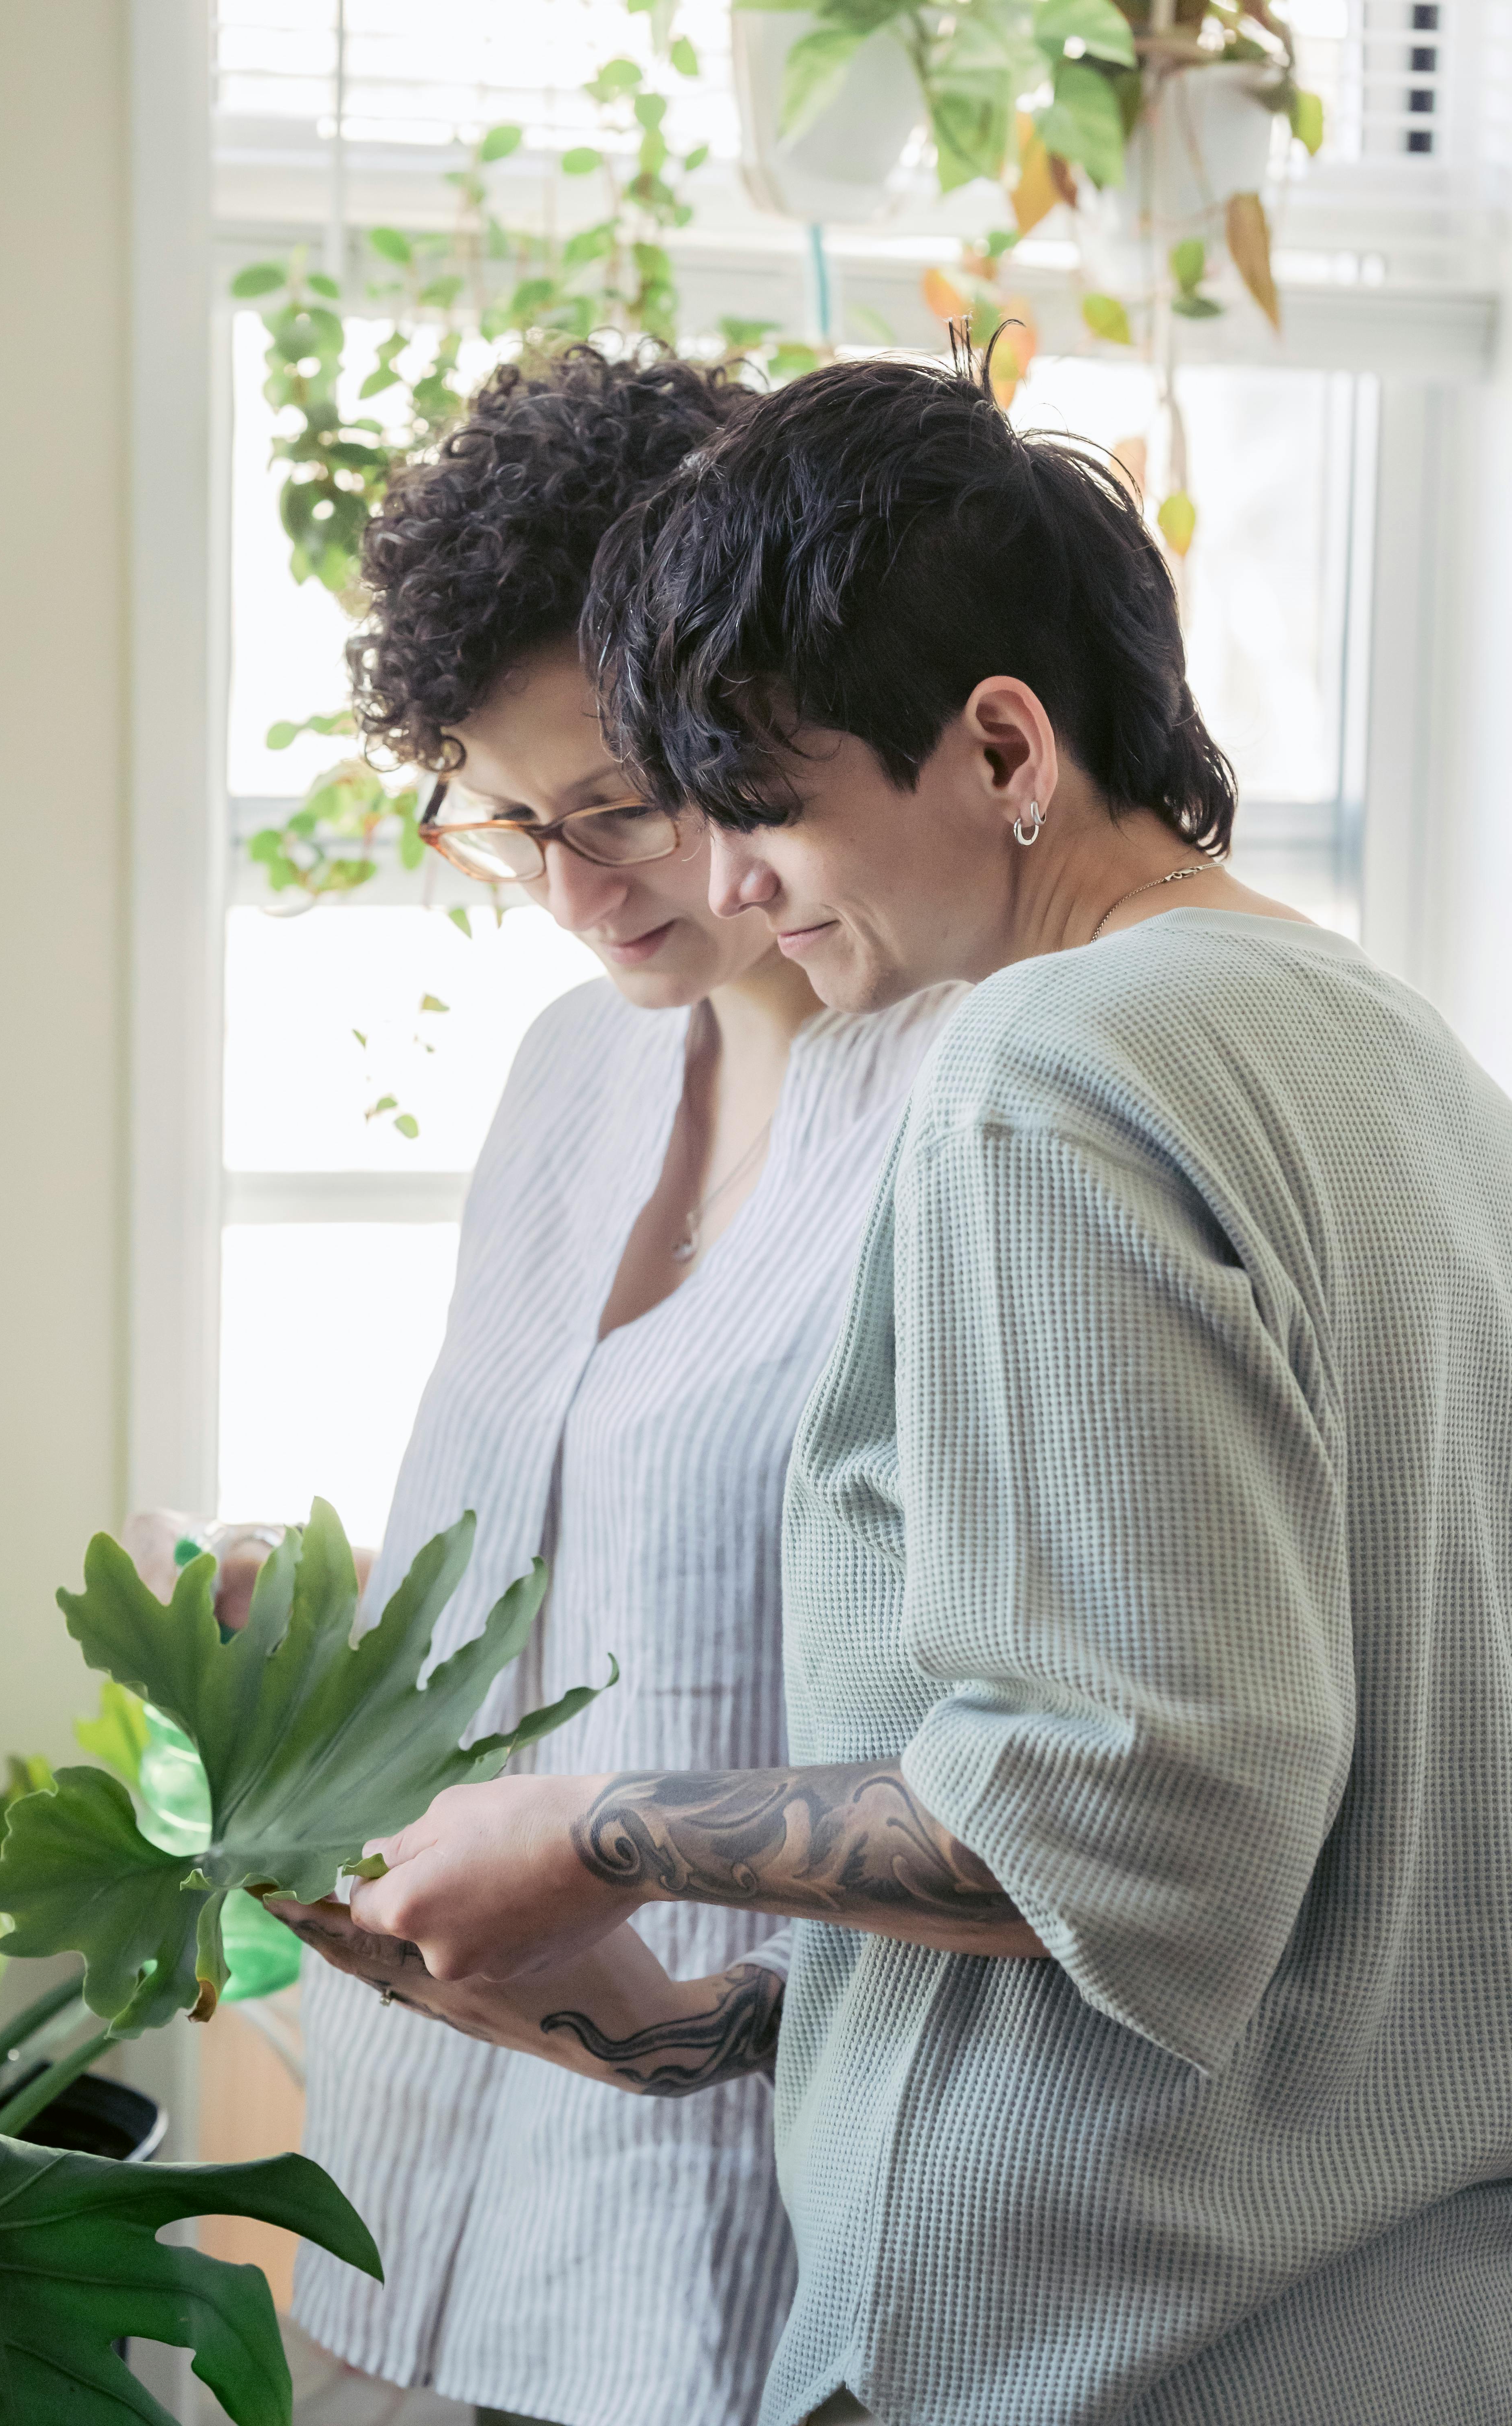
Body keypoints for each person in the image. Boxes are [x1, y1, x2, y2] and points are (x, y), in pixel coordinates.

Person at [298, 352, 1512, 2426]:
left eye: (745, 806)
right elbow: (1291, 1830)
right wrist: (692, 2023)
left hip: (1103, 2340)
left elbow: (1130, 1810)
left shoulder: (1044, 1073)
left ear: (1002, 745)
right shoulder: (1401, 1063)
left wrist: (596, 1831)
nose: (731, 883)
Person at [277, 349, 961, 2426]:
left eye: (622, 805)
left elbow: (1044, 1760)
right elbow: (526, 1560)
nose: (578, 894)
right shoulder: (570, 1074)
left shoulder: (971, 1106)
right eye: (511, 817)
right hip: (428, 2166)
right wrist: (298, 1650)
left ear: (764, 722)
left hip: (747, 2239)